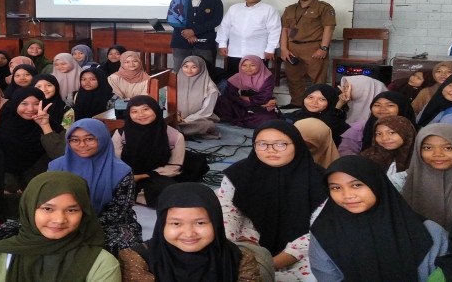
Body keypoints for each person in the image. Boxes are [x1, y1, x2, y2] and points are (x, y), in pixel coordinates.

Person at [309, 155, 448, 282]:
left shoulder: (428, 232)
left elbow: (444, 275)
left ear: (377, 183)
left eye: (356, 185)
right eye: (336, 188)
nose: (347, 195)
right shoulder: (324, 232)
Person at [218, 120, 326, 279]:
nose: (271, 150)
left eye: (281, 144)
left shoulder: (319, 180)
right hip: (250, 239)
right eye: (262, 144)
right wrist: (230, 249)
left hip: (301, 249)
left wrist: (271, 263)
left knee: (320, 273)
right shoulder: (239, 173)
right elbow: (227, 213)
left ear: (296, 145)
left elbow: (319, 230)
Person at [0, 171, 121, 281]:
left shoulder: (100, 263)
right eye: (48, 209)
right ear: (28, 209)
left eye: (72, 210)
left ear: (85, 213)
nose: (59, 219)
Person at [118, 182, 266, 282]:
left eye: (200, 223)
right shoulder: (137, 258)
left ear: (216, 222)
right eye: (176, 223)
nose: (189, 233)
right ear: (162, 224)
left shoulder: (239, 258)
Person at [48, 119, 141, 256]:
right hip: (62, 219)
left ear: (102, 139)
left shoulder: (121, 171)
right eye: (75, 140)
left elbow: (117, 212)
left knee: (123, 245)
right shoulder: (56, 167)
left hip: (109, 223)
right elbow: (47, 201)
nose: (82, 145)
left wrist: (80, 227)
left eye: (89, 139)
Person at [113, 96, 185, 207]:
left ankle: (133, 195)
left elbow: (173, 167)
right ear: (128, 114)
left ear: (155, 110)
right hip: (127, 174)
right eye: (134, 111)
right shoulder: (121, 134)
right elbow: (115, 162)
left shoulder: (174, 136)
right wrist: (128, 177)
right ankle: (137, 194)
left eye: (146, 109)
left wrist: (142, 176)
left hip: (157, 174)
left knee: (169, 191)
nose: (141, 114)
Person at [0, 87, 65, 192]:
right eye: (24, 104)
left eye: (37, 104)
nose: (31, 109)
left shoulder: (53, 126)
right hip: (10, 185)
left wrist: (45, 125)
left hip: (43, 183)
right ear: (15, 104)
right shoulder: (5, 125)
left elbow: (59, 155)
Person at [279, 0, 336, 108]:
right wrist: (284, 49)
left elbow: (329, 28)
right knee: (293, 77)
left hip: (314, 47)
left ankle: (317, 106)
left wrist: (323, 48)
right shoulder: (290, 9)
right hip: (292, 47)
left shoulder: (324, 8)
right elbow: (285, 30)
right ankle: (297, 103)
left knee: (318, 79)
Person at [216, 0, 281, 77]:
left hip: (258, 53)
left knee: (257, 80)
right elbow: (225, 27)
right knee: (234, 79)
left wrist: (270, 49)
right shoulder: (234, 8)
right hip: (235, 52)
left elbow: (274, 30)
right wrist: (222, 44)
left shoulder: (269, 10)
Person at [167, 0, 224, 71]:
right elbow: (172, 18)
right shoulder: (178, 0)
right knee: (180, 71)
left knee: (206, 71)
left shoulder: (215, 1)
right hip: (181, 42)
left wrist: (193, 31)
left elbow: (216, 21)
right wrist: (188, 34)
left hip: (205, 43)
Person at [338, 90, 417, 155]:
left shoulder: (417, 131)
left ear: (402, 107)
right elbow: (346, 152)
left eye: (390, 105)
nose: (382, 109)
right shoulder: (360, 128)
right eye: (377, 105)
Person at [215, 55, 278, 128]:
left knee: (268, 118)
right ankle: (243, 119)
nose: (248, 68)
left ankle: (237, 119)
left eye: (252, 65)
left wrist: (242, 98)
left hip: (260, 107)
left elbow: (263, 98)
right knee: (222, 101)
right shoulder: (236, 78)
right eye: (244, 65)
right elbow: (231, 96)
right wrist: (244, 100)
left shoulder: (267, 78)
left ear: (259, 65)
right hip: (243, 105)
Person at [283, 84, 350, 145]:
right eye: (310, 97)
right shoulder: (290, 118)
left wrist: (338, 106)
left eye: (322, 99)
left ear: (331, 102)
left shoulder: (337, 124)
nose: (314, 102)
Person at [175, 56, 220, 139]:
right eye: (186, 66)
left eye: (194, 67)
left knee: (207, 125)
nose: (189, 70)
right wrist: (175, 115)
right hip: (175, 117)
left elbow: (206, 111)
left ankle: (177, 130)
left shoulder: (210, 88)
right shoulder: (174, 81)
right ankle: (181, 131)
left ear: (201, 68)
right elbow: (168, 101)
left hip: (197, 119)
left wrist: (186, 120)